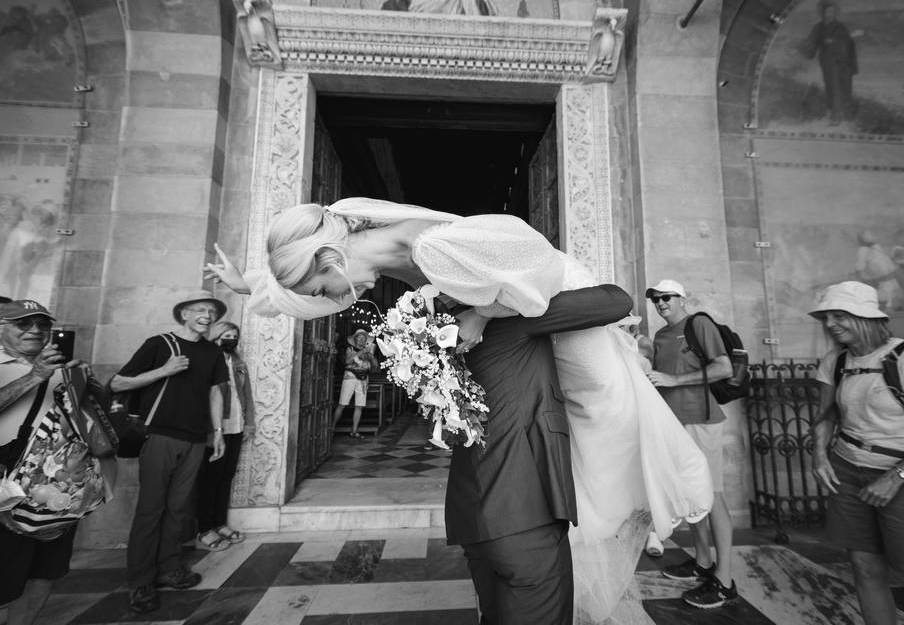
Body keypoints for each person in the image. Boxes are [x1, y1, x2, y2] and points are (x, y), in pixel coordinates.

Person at [206, 197, 713, 620]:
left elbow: (543, 270)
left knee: (606, 417)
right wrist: (250, 284)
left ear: (327, 257)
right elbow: (306, 292)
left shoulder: (435, 245)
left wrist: (482, 315)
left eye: (323, 288)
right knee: (572, 456)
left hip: (562, 315)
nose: (339, 299)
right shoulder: (377, 251)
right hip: (528, 329)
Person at [446, 283, 633, 624]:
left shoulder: (444, 324)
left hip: (473, 513)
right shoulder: (516, 317)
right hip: (524, 511)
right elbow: (616, 301)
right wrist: (490, 309)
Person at [810, 281, 904, 625]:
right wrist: (819, 455)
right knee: (865, 570)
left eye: (839, 315)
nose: (830, 323)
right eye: (826, 317)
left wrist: (897, 477)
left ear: (865, 317)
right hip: (847, 473)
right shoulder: (835, 361)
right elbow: (826, 414)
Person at [111, 291, 229, 614]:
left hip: (195, 438)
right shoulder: (159, 344)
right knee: (151, 508)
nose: (207, 315)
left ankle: (169, 567)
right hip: (159, 436)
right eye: (200, 310)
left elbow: (215, 393)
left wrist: (217, 433)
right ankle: (141, 581)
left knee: (179, 508)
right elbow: (118, 383)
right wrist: (164, 370)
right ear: (184, 315)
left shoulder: (212, 353)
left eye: (211, 311)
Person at [0, 299, 100, 625]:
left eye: (43, 325)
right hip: (7, 484)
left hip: (57, 488)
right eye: (23, 324)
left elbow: (84, 421)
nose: (35, 331)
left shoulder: (61, 370)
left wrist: (86, 385)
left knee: (45, 569)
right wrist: (35, 375)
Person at [645, 280, 739, 608]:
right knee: (691, 495)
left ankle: (725, 580)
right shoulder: (660, 336)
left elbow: (723, 366)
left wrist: (675, 379)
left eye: (666, 297)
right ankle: (702, 562)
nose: (660, 303)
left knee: (711, 496)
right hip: (672, 425)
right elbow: (658, 377)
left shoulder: (698, 324)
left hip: (701, 420)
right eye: (655, 299)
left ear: (681, 298)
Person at [194, 321, 255, 551]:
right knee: (210, 478)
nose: (231, 339)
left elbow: (246, 394)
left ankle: (220, 523)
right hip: (214, 429)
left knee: (226, 476)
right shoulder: (208, 363)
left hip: (236, 426)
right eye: (226, 335)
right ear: (216, 337)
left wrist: (249, 423)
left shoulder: (238, 362)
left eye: (234, 335)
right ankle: (205, 528)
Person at [801, 0, 858, 125]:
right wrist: (804, 47)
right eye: (828, 12)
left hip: (841, 63)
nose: (830, 14)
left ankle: (839, 116)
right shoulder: (818, 27)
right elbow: (812, 41)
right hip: (827, 62)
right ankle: (834, 113)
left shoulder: (840, 27)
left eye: (832, 12)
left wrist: (835, 42)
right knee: (830, 87)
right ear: (823, 13)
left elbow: (847, 42)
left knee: (839, 87)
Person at [332, 329, 379, 439]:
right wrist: (360, 352)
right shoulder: (350, 349)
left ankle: (354, 430)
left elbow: (376, 367)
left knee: (359, 406)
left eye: (364, 339)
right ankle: (332, 428)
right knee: (342, 404)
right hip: (350, 377)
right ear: (355, 340)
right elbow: (348, 361)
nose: (362, 340)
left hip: (363, 380)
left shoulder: (369, 352)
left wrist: (372, 357)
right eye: (359, 338)